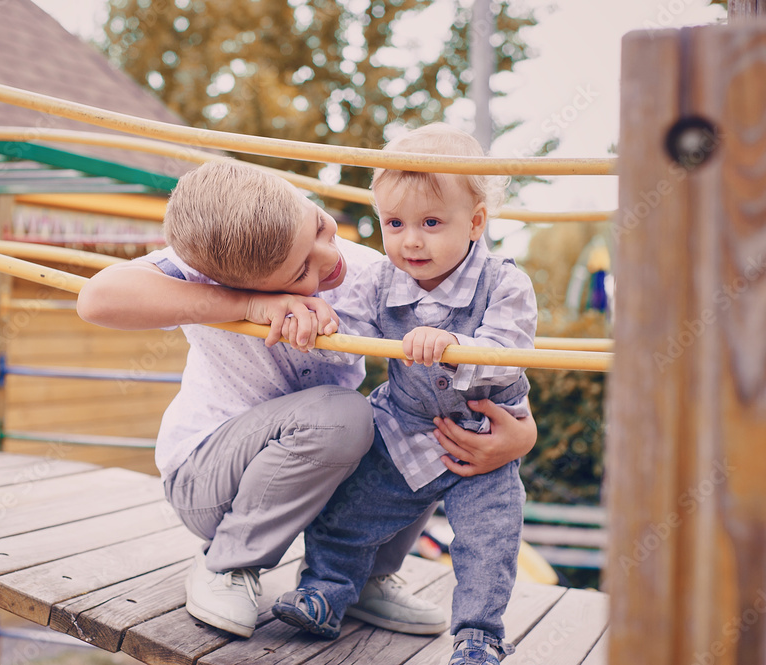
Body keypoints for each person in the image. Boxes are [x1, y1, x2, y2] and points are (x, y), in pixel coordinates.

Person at [76, 160, 537, 640]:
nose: (329, 256)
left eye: (318, 225)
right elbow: (98, 299)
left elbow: (455, 365)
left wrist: (522, 434)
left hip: (316, 482)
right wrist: (248, 306)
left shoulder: (369, 271)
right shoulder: (210, 269)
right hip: (212, 485)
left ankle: (361, 577)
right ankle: (226, 562)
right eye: (301, 270)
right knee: (343, 415)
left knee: (410, 425)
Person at [271, 124, 536, 665]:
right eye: (395, 223)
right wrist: (322, 324)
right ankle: (324, 591)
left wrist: (454, 347)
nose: (411, 241)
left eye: (431, 223)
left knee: (489, 541)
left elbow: (507, 353)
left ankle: (479, 636)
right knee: (350, 511)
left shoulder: (505, 284)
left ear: (475, 222)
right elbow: (349, 335)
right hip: (403, 427)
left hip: (483, 442)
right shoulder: (379, 280)